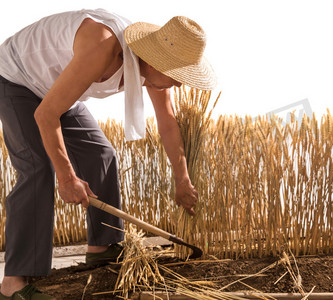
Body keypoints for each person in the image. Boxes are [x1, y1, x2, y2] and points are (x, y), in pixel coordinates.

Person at [0, 8, 216, 299]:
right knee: (38, 168)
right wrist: (67, 179)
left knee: (101, 155)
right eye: (177, 75)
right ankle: (13, 284)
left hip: (55, 86)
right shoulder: (103, 46)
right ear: (155, 60)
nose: (180, 83)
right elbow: (46, 114)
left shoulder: (154, 71)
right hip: (16, 78)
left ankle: (102, 249)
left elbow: (167, 123)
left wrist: (182, 181)